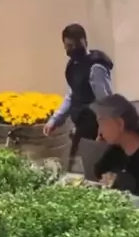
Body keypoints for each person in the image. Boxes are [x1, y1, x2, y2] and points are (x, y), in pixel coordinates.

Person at [43, 23, 113, 160]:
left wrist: (104, 130)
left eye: (76, 45)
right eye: (69, 46)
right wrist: (55, 120)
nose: (73, 49)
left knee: (82, 162)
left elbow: (104, 101)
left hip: (94, 124)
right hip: (81, 122)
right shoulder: (73, 66)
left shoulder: (95, 68)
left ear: (84, 42)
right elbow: (72, 95)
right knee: (79, 162)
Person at [92, 94, 139, 207]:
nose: (99, 131)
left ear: (119, 123)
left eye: (101, 123)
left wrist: (120, 180)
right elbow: (98, 172)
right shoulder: (116, 149)